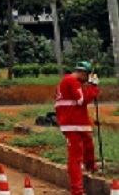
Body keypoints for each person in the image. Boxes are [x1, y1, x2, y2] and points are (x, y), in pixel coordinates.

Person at [56, 61, 100, 195]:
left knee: (89, 145)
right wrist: (92, 87)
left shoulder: (68, 81)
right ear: (82, 73)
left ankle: (91, 166)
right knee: (75, 158)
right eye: (86, 77)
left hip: (79, 123)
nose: (86, 81)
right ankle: (77, 190)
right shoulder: (72, 82)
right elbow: (82, 100)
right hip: (73, 124)